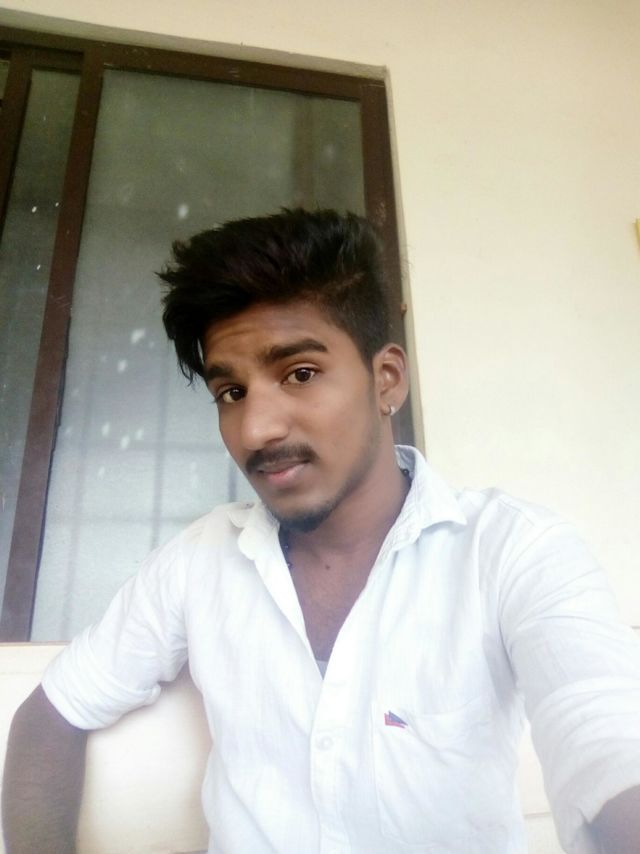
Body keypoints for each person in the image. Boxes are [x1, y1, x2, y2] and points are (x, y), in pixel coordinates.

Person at [3, 209, 640, 854]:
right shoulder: (200, 559)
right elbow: (51, 716)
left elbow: (607, 742)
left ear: (386, 379)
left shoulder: (511, 551)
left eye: (300, 374)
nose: (256, 430)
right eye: (231, 392)